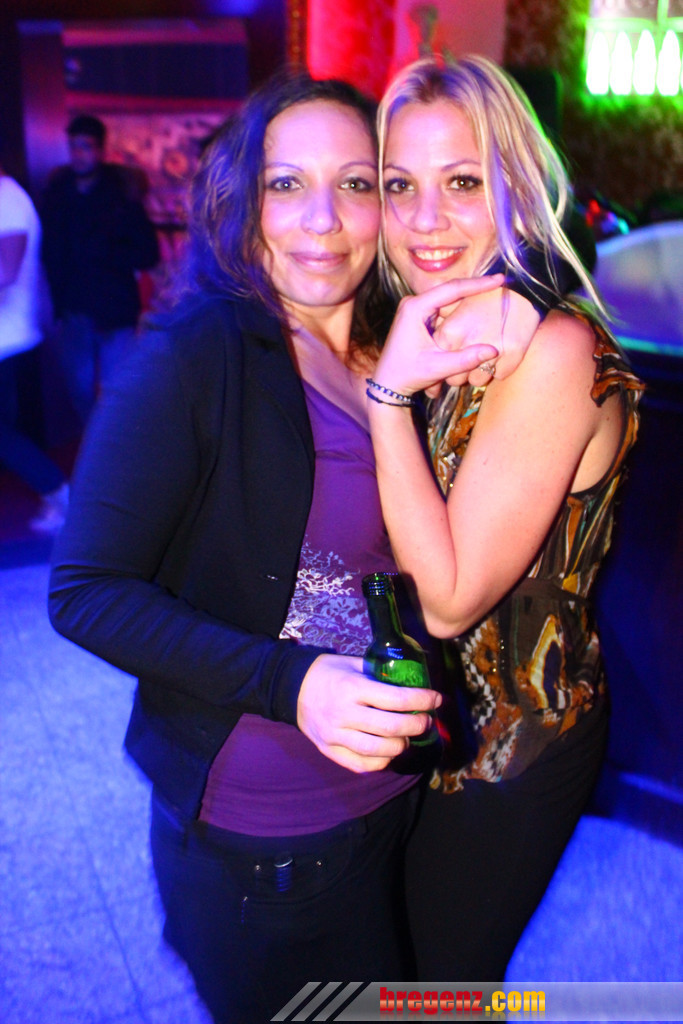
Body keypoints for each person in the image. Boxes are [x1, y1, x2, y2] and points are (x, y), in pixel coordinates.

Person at [48, 72, 513, 1022]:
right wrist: (290, 683)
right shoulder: (196, 356)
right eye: (286, 183)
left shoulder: (390, 349)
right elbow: (85, 590)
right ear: (243, 201)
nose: (322, 220)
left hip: (387, 791)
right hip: (272, 836)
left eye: (355, 184)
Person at [367, 56, 644, 982]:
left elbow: (447, 601)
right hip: (429, 712)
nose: (424, 220)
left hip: (515, 741)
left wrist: (385, 402)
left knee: (438, 983)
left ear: (514, 188)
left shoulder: (553, 348)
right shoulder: (434, 321)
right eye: (399, 185)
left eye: (462, 183)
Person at [40, 114, 160, 426]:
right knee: (79, 389)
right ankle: (98, 443)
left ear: (100, 150)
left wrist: (107, 253)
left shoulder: (121, 195)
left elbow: (148, 253)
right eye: (74, 147)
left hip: (114, 307)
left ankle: (110, 446)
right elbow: (49, 251)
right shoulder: (58, 194)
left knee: (115, 391)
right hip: (74, 308)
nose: (79, 154)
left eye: (86, 147)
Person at [0, 152, 69, 532]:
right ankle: (58, 494)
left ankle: (59, 493)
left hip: (7, 336)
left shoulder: (7, 199)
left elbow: (5, 272)